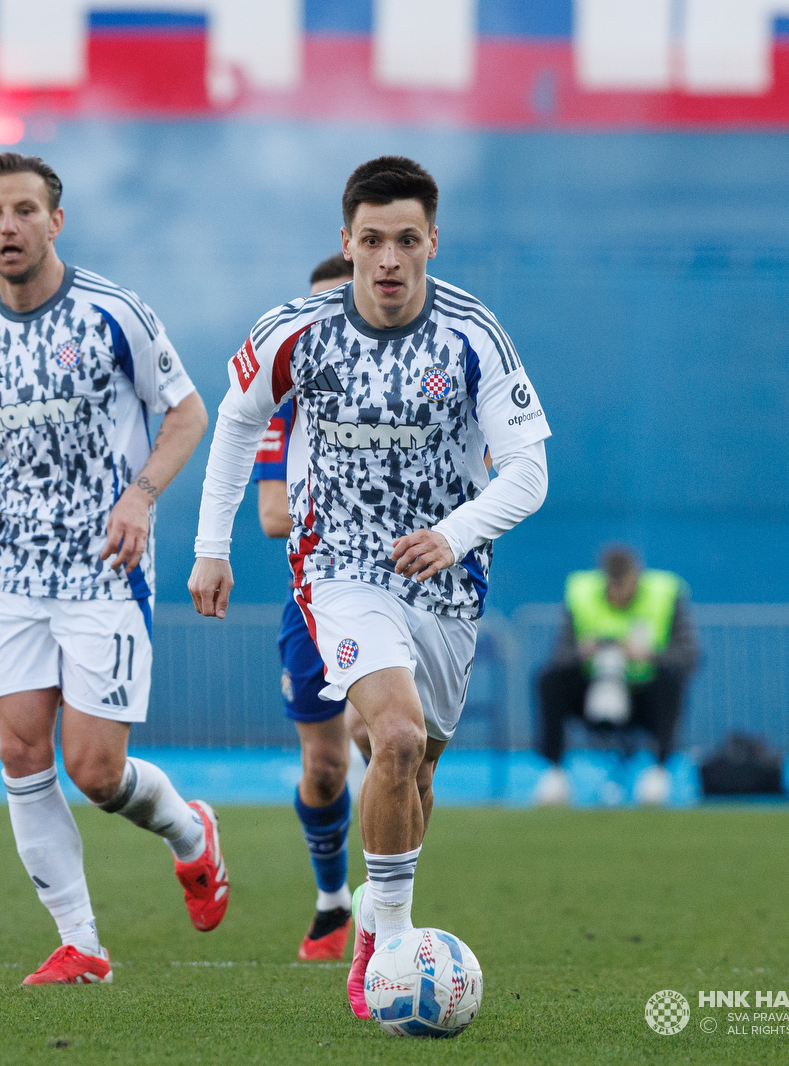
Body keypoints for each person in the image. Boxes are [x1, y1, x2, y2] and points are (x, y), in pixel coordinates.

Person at [189, 156, 550, 1019]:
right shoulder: (296, 331)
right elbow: (236, 424)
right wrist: (212, 548)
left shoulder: (473, 335)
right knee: (389, 738)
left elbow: (529, 472)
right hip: (339, 568)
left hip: (449, 580)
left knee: (419, 769)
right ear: (345, 242)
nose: (390, 258)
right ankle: (388, 947)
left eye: (408, 240)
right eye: (373, 240)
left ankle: (381, 923)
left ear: (433, 243)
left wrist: (454, 533)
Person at [0, 152, 222, 987]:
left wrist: (140, 497)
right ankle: (82, 943)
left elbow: (189, 412)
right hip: (12, 571)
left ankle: (191, 833)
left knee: (94, 771)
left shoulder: (114, 313)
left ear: (56, 221)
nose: (9, 226)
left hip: (104, 571)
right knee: (21, 750)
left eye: (25, 210)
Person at [251, 253, 365, 961]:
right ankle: (333, 901)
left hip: (402, 594)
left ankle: (389, 917)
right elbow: (269, 515)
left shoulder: (422, 391)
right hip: (315, 599)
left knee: (387, 740)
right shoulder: (284, 405)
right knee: (325, 766)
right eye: (316, 308)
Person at [533, 545, 698, 807]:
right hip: (592, 691)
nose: (620, 592)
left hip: (643, 696)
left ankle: (658, 773)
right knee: (549, 679)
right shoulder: (581, 593)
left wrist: (648, 655)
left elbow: (690, 656)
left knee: (671, 680)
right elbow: (559, 655)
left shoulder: (665, 594)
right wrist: (584, 652)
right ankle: (554, 773)